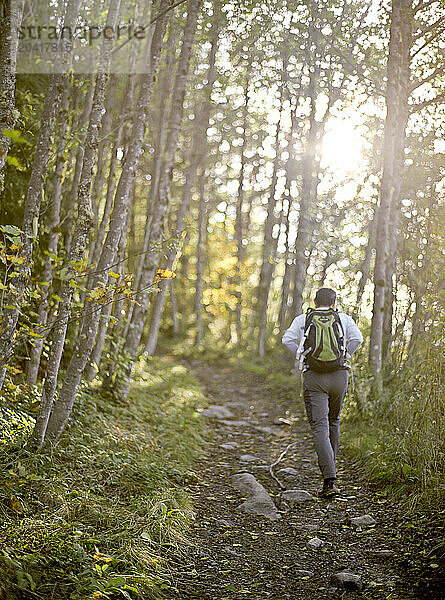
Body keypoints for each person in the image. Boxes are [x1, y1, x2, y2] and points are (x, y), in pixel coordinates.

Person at [282, 287, 363, 498]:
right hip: (339, 376)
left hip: (314, 377)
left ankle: (330, 479)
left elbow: (287, 340)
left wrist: (304, 355)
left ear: (315, 302)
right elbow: (358, 339)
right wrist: (344, 355)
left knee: (320, 426)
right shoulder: (343, 318)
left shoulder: (304, 319)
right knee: (333, 421)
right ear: (334, 303)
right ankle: (331, 470)